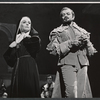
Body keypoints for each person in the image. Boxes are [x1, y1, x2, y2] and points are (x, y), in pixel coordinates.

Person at [46, 7, 97, 98]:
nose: (65, 16)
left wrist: (86, 42)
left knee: (81, 93)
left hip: (82, 63)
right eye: (63, 15)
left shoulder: (82, 31)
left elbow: (91, 52)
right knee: (71, 93)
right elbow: (53, 51)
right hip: (67, 63)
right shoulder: (57, 32)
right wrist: (70, 43)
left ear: (73, 16)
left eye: (67, 14)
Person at [4, 16, 41, 98]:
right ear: (19, 26)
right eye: (24, 22)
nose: (27, 24)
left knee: (29, 89)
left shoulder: (34, 38)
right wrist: (11, 47)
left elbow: (36, 48)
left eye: (29, 22)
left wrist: (24, 38)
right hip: (18, 67)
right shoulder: (16, 40)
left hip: (29, 67)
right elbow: (9, 60)